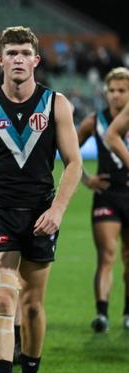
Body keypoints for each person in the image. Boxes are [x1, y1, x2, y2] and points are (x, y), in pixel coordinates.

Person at [0, 26, 81, 373]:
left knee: (31, 306)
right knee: (3, 297)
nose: (17, 59)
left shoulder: (55, 104)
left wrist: (58, 211)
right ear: (0, 60)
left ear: (36, 60)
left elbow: (74, 163)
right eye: (11, 53)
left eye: (24, 53)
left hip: (39, 217)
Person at [78, 67, 129, 332]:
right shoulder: (94, 121)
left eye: (122, 90)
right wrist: (87, 179)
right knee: (107, 255)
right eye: (112, 90)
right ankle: (102, 314)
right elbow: (67, 150)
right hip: (107, 195)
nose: (116, 96)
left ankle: (127, 312)